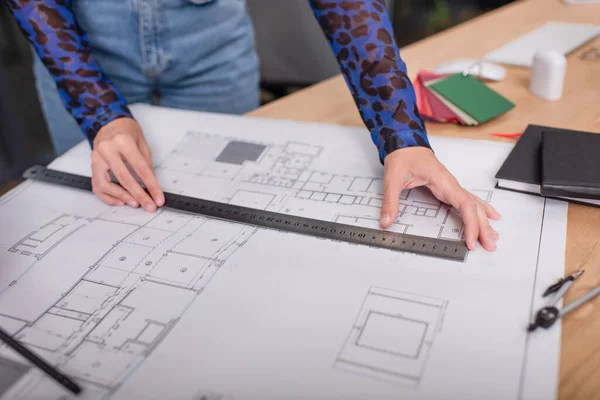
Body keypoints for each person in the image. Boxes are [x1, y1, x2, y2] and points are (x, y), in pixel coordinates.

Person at [7, 0, 499, 251]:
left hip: (211, 45)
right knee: (101, 224)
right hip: (78, 38)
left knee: (221, 230)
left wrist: (403, 137)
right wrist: (98, 111)